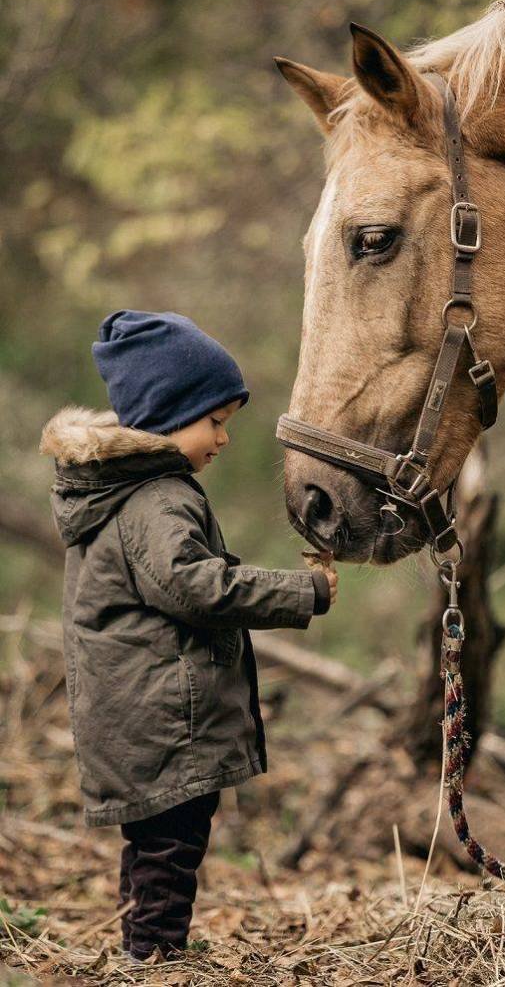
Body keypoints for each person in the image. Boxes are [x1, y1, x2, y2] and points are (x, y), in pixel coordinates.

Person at [39, 309, 338, 962]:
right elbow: (194, 586)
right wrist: (300, 592)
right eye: (216, 422)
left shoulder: (116, 495)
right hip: (162, 719)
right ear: (167, 416)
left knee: (154, 843)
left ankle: (143, 946)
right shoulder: (158, 498)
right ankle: (154, 954)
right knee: (172, 843)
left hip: (134, 715)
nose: (224, 439)